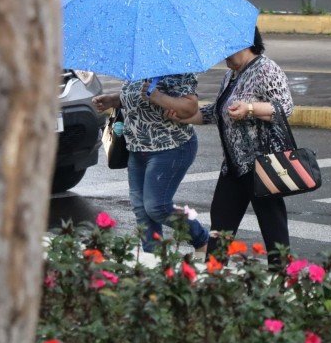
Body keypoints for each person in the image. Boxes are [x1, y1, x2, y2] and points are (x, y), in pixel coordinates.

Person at [166, 28, 293, 267]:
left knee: (272, 225)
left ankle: (282, 278)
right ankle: (215, 280)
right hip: (234, 167)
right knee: (221, 225)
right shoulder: (231, 75)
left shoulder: (266, 69)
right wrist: (183, 117)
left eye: (226, 48)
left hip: (262, 166)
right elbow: (216, 112)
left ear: (244, 43)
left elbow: (284, 108)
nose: (223, 54)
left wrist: (251, 109)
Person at [93, 74, 210, 256]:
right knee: (141, 209)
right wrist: (113, 100)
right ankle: (154, 260)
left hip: (171, 146)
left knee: (157, 207)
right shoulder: (137, 68)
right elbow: (134, 96)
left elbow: (190, 107)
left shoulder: (175, 69)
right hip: (137, 148)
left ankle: (202, 240)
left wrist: (158, 97)